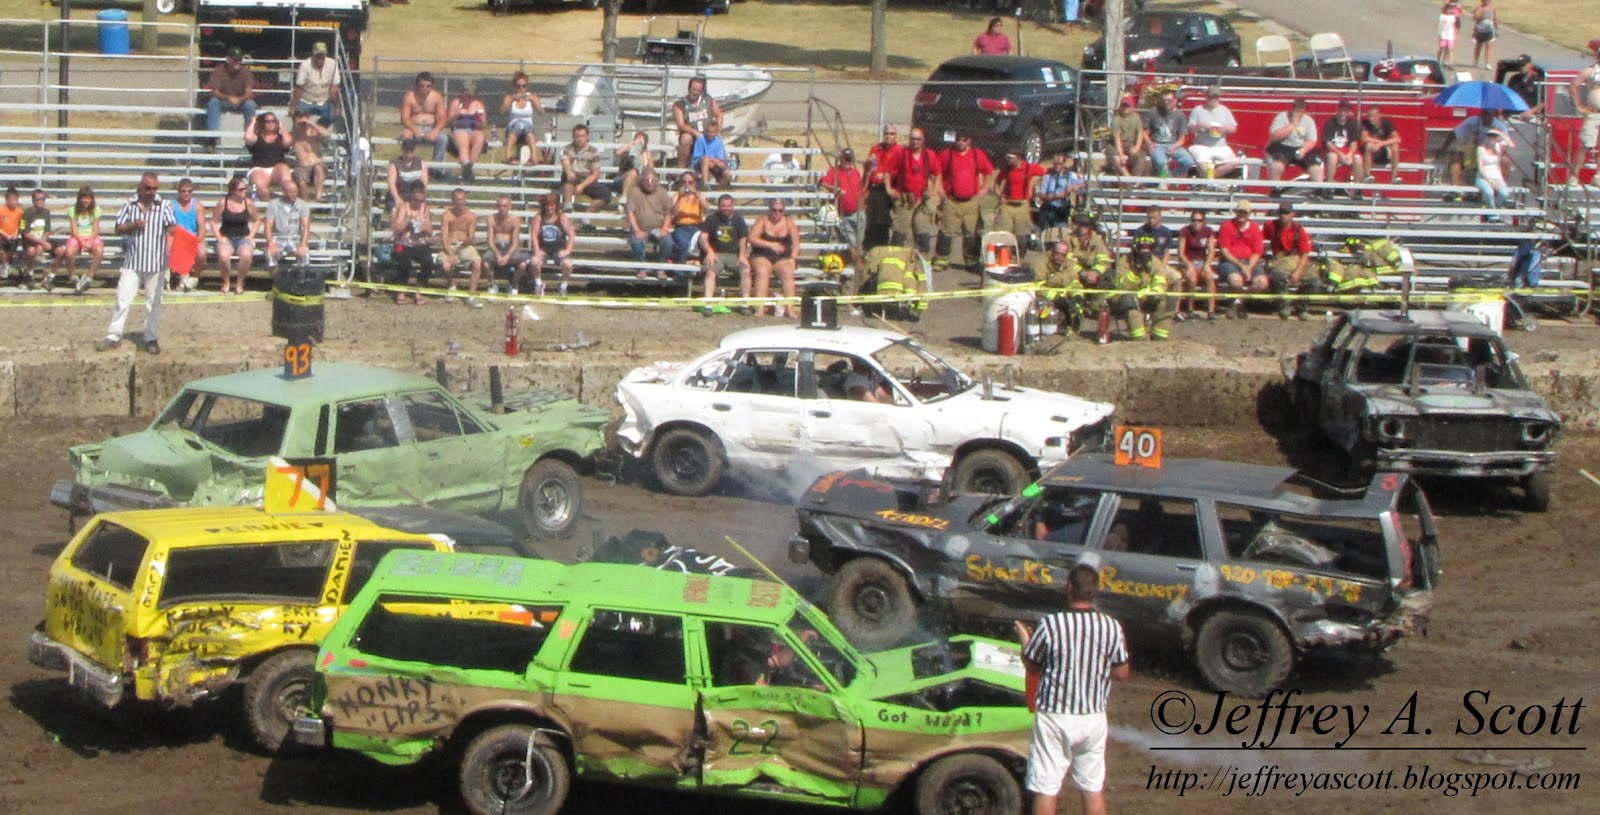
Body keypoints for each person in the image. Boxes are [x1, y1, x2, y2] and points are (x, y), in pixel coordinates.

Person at [1017, 564, 1129, 815]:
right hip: (1092, 717)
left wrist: (1025, 643)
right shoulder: (1111, 626)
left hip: (1055, 716)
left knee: (1046, 788)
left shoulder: (1051, 625)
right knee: (1091, 787)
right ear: (1095, 591)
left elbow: (1031, 665)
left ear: (1069, 588)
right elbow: (1122, 672)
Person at [96, 173, 177, 354]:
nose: (151, 192)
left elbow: (172, 228)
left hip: (156, 262)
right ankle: (114, 335)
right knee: (122, 298)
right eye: (148, 188)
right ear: (141, 187)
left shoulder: (164, 206)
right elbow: (118, 228)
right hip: (133, 261)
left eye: (155, 188)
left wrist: (174, 246)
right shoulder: (129, 205)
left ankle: (151, 337)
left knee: (153, 303)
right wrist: (133, 226)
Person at [933, 133, 994, 270]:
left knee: (971, 232)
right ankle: (942, 259)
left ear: (969, 141)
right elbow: (936, 172)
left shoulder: (976, 155)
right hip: (951, 200)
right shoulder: (947, 154)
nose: (960, 142)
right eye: (958, 140)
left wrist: (984, 189)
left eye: (964, 140)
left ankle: (971, 260)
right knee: (946, 230)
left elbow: (988, 171)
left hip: (971, 201)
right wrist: (940, 189)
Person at [1108, 235, 1174, 341]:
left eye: (1147, 251)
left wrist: (1155, 293)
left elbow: (1160, 281)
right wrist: (1136, 272)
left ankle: (1159, 336)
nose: (1144, 255)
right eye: (1142, 251)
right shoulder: (1124, 261)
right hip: (1124, 297)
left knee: (1168, 300)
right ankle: (1139, 339)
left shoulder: (1155, 261)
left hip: (1145, 295)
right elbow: (1121, 285)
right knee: (1130, 304)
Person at [888, 127, 940, 256]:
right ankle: (896, 263)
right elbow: (888, 172)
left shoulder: (929, 155)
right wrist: (889, 189)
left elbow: (937, 174)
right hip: (904, 200)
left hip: (922, 200)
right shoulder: (901, 153)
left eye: (918, 139)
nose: (915, 141)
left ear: (923, 140)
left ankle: (922, 264)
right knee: (900, 232)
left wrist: (934, 190)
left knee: (922, 231)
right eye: (912, 138)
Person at [1439, 108, 1510, 198]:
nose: (1485, 116)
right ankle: (1456, 189)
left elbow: (1504, 146)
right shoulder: (1472, 122)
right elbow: (1454, 133)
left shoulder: (1500, 126)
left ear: (1494, 115)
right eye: (1484, 113)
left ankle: (1499, 189)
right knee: (1455, 158)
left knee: (1506, 161)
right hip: (1472, 152)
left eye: (1488, 114)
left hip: (1490, 154)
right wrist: (1443, 149)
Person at [748, 197, 801, 318]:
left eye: (780, 210)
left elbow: (796, 243)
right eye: (774, 210)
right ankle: (760, 307)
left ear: (784, 211)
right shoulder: (763, 221)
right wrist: (770, 245)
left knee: (788, 272)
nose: (777, 213)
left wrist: (793, 258)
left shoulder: (789, 222)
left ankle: (790, 308)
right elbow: (752, 238)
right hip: (762, 254)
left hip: (781, 257)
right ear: (770, 210)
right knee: (762, 271)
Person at [1262, 202, 1314, 318]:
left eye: (1286, 213)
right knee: (1277, 275)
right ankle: (1283, 306)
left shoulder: (1298, 230)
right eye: (1281, 213)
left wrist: (1298, 272)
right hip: (1280, 258)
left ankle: (1301, 307)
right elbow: (1260, 240)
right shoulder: (1270, 226)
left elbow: (1305, 254)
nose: (1283, 216)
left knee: (1313, 281)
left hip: (1297, 258)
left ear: (1292, 214)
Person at [51, 186, 105, 295]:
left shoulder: (96, 210)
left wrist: (89, 241)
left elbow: (96, 228)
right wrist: (81, 241)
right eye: (83, 198)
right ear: (79, 198)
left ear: (91, 199)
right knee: (69, 252)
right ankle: (72, 275)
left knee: (99, 250)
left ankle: (89, 277)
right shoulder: (73, 210)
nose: (86, 200)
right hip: (77, 236)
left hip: (91, 236)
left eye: (88, 198)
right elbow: (74, 229)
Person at [1216, 201, 1264, 319]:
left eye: (1245, 213)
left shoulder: (1254, 227)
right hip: (1230, 262)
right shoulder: (1226, 226)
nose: (1241, 215)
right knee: (1236, 280)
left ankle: (1238, 303)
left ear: (1249, 214)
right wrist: (1241, 266)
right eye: (1240, 212)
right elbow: (1225, 251)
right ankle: (1239, 305)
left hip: (1249, 262)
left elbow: (1257, 252)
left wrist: (1248, 267)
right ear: (1236, 212)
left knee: (1262, 282)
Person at [699, 193, 750, 303]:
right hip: (716, 254)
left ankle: (745, 302)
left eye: (728, 205)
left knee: (746, 270)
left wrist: (742, 255)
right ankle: (708, 302)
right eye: (723, 205)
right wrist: (709, 252)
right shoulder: (711, 219)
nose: (726, 208)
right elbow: (703, 237)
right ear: (718, 206)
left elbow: (743, 239)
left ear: (733, 206)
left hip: (733, 255)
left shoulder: (739, 220)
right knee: (710, 272)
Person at [212, 176, 259, 295]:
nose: (244, 191)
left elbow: (257, 220)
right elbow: (213, 221)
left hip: (243, 237)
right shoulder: (223, 202)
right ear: (233, 191)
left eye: (245, 189)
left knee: (246, 255)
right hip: (226, 237)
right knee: (223, 256)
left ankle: (239, 283)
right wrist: (219, 237)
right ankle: (226, 282)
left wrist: (251, 235)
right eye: (241, 189)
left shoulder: (248, 203)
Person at [820, 147, 865, 269]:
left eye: (850, 159)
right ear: (841, 159)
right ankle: (860, 270)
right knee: (851, 244)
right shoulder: (834, 171)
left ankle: (848, 268)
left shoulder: (855, 172)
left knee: (857, 244)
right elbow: (823, 182)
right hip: (843, 214)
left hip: (859, 213)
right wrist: (836, 189)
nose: (848, 162)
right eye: (846, 159)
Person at [390, 187, 436, 304]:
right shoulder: (404, 208)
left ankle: (418, 289)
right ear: (411, 198)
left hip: (419, 244)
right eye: (416, 200)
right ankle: (401, 291)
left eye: (421, 200)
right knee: (403, 261)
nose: (419, 203)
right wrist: (408, 221)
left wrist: (422, 226)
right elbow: (396, 228)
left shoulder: (424, 209)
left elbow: (430, 231)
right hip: (401, 243)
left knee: (428, 261)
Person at [439, 187, 484, 306]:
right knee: (446, 265)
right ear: (452, 200)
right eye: (456, 199)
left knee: (477, 262)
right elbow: (443, 238)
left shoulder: (471, 216)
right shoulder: (447, 215)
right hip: (450, 245)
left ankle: (471, 294)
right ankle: (451, 286)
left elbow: (471, 236)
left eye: (461, 199)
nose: (459, 202)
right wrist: (451, 253)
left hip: (465, 246)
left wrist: (466, 242)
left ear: (465, 200)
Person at [1265, 98, 1323, 188]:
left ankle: (1319, 190)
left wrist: (1304, 150)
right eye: (1298, 108)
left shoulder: (1309, 120)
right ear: (1293, 108)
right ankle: (1275, 188)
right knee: (1277, 166)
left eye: (1303, 109)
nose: (1301, 111)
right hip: (1282, 146)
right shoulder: (1282, 116)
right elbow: (1274, 136)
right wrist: (1292, 125)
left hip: (1300, 148)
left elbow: (1312, 140)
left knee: (1316, 169)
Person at [993, 149, 1044, 250]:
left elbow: (1045, 173)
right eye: (1007, 157)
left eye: (1010, 158)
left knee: (1022, 235)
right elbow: (997, 182)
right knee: (1003, 233)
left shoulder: (1029, 168)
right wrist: (999, 195)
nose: (1008, 160)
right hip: (1007, 204)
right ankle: (1003, 254)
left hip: (1022, 204)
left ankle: (1019, 255)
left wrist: (1037, 187)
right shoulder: (1006, 169)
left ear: (1018, 157)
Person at [1185, 87, 1240, 178]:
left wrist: (1224, 128)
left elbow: (1233, 129)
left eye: (1216, 97)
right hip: (1201, 146)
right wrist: (1201, 125)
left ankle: (1211, 179)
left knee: (1235, 162)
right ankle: (1212, 183)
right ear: (1206, 97)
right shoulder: (1198, 110)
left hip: (1221, 146)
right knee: (1203, 165)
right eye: (1211, 97)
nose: (1214, 99)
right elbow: (1190, 129)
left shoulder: (1224, 110)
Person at [528, 192, 575, 297]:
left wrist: (568, 250)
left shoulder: (562, 217)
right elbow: (534, 235)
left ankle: (563, 285)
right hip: (543, 248)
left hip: (558, 249)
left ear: (556, 206)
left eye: (552, 206)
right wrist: (537, 250)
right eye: (547, 206)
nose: (549, 209)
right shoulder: (539, 217)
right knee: (534, 261)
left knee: (568, 264)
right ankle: (538, 283)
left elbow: (572, 235)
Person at [561, 124, 615, 215]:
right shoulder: (567, 149)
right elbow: (565, 162)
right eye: (577, 136)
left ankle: (587, 216)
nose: (579, 138)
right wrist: (569, 171)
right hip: (572, 177)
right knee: (567, 174)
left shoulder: (593, 151)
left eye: (582, 136)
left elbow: (595, 174)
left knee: (606, 194)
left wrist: (582, 186)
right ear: (573, 136)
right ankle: (567, 204)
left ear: (587, 137)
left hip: (587, 180)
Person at [205, 48, 256, 143]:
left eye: (239, 60)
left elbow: (248, 93)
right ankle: (213, 137)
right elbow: (214, 91)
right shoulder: (219, 71)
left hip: (240, 101)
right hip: (223, 101)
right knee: (213, 103)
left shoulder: (246, 72)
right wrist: (228, 97)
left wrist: (239, 99)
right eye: (235, 60)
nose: (238, 62)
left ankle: (249, 137)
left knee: (250, 105)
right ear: (228, 60)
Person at [625, 172, 675, 268]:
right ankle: (641, 267)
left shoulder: (662, 192)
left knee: (668, 243)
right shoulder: (634, 192)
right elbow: (630, 212)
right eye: (647, 180)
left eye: (652, 180)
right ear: (642, 181)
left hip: (659, 228)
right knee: (636, 242)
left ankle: (661, 267)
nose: (649, 183)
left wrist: (664, 228)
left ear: (657, 182)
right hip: (640, 228)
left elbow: (668, 213)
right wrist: (637, 230)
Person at [864, 126, 902, 250]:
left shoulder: (899, 151)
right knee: (870, 222)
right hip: (874, 189)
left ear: (895, 135)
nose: (888, 136)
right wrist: (868, 164)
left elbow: (899, 172)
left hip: (887, 191)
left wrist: (887, 179)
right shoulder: (876, 149)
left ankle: (881, 250)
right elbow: (869, 169)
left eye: (891, 134)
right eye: (886, 133)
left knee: (883, 224)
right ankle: (868, 250)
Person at [672, 75, 723, 169]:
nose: (695, 92)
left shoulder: (708, 100)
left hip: (708, 134)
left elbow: (719, 115)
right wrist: (695, 133)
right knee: (686, 138)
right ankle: (681, 169)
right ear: (689, 88)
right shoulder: (679, 104)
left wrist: (718, 130)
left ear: (701, 91)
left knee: (717, 140)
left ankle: (715, 169)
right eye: (693, 89)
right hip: (692, 134)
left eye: (698, 90)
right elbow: (681, 124)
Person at [1176, 209, 1218, 320]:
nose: (1196, 223)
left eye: (1199, 220)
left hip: (1202, 262)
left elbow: (1211, 251)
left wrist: (1207, 264)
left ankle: (1211, 310)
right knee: (1192, 278)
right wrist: (1189, 265)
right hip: (1187, 261)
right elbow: (1180, 253)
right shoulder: (1185, 231)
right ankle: (1190, 308)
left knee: (1209, 277)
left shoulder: (1208, 231)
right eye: (1194, 220)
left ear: (1204, 221)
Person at [243, 111, 293, 201]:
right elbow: (248, 137)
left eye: (273, 121)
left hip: (276, 169)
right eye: (268, 121)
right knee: (262, 189)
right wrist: (253, 122)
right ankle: (266, 208)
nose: (271, 123)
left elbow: (288, 142)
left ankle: (288, 203)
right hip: (259, 168)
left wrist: (281, 126)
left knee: (284, 169)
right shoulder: (257, 137)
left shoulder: (281, 137)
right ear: (263, 123)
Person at [400, 71, 449, 163]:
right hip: (412, 128)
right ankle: (408, 165)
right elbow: (405, 118)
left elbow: (443, 118)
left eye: (428, 86)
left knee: (443, 139)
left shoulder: (437, 97)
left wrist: (436, 131)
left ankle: (436, 169)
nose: (425, 88)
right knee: (406, 136)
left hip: (431, 128)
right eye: (421, 85)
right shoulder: (409, 96)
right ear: (416, 85)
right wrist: (414, 130)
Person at [264, 178, 312, 269]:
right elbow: (268, 227)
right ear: (284, 192)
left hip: (294, 237)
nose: (294, 194)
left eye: (296, 192)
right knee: (270, 253)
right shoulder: (273, 204)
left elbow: (305, 227)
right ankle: (275, 278)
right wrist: (271, 244)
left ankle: (301, 278)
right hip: (278, 236)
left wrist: (303, 245)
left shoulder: (303, 205)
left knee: (304, 254)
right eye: (291, 192)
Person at [1143, 90, 1194, 178]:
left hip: (1174, 144)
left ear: (1175, 100)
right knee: (1161, 163)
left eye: (1169, 100)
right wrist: (1149, 143)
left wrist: (1174, 147)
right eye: (1164, 100)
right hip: (1157, 145)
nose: (1166, 103)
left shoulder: (1180, 115)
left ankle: (1173, 176)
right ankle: (1165, 182)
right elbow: (1144, 132)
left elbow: (1182, 139)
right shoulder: (1153, 112)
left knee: (1189, 162)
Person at [289, 41, 340, 126]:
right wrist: (292, 107)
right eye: (317, 55)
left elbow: (334, 88)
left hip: (324, 101)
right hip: (306, 100)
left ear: (325, 54)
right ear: (313, 54)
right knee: (298, 118)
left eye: (322, 55)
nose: (320, 57)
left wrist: (337, 106)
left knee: (333, 115)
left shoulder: (333, 64)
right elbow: (299, 88)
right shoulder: (305, 65)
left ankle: (317, 130)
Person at [1321, 100, 1365, 199]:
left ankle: (1357, 189)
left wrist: (1349, 154)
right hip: (1334, 150)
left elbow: (1354, 142)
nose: (1343, 113)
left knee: (1358, 159)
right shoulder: (1330, 122)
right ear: (1338, 110)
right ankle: (1329, 188)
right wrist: (1340, 154)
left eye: (1346, 111)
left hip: (1347, 150)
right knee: (1332, 157)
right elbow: (1328, 142)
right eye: (1342, 110)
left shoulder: (1353, 123)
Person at [487, 195, 530, 293]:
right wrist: (497, 255)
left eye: (505, 206)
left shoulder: (515, 221)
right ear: (497, 206)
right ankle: (491, 284)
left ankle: (513, 284)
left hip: (510, 249)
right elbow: (490, 241)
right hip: (495, 249)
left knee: (524, 264)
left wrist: (507, 256)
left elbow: (515, 242)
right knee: (485, 262)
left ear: (510, 206)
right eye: (500, 206)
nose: (502, 208)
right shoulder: (491, 219)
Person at [446, 80, 488, 181]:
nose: (468, 98)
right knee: (463, 141)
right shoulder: (456, 103)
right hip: (459, 128)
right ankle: (466, 166)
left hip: (474, 129)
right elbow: (449, 122)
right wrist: (457, 113)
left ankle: (468, 168)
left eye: (470, 96)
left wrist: (480, 120)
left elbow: (484, 125)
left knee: (480, 138)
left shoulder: (478, 105)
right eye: (466, 95)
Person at [168, 178, 206, 292]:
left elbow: (202, 228)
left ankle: (195, 277)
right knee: (174, 249)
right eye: (184, 191)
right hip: (177, 237)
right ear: (179, 191)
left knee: (202, 253)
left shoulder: (198, 206)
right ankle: (182, 278)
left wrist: (197, 240)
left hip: (193, 236)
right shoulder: (172, 206)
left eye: (189, 191)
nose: (186, 194)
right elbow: (169, 227)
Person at [501, 71, 544, 166]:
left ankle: (533, 158)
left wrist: (534, 101)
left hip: (528, 132)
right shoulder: (509, 97)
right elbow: (502, 111)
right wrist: (512, 99)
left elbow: (542, 112)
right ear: (514, 86)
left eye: (523, 86)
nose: (521, 88)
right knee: (518, 125)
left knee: (526, 126)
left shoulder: (532, 97)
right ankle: (508, 157)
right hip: (513, 130)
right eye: (518, 86)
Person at [20, 188, 60, 288]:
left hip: (42, 239)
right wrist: (40, 243)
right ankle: (29, 274)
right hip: (30, 241)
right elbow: (25, 233)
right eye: (39, 199)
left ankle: (50, 277)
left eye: (43, 199)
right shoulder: (26, 213)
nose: (42, 201)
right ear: (34, 201)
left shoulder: (46, 212)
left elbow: (47, 230)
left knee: (61, 250)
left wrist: (43, 241)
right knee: (31, 251)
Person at [1571, 41, 1600, 181]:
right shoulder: (1591, 70)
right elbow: (1574, 85)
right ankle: (1574, 175)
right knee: (1586, 144)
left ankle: (1598, 176)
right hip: (1593, 113)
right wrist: (1579, 105)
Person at [668, 172, 709, 267]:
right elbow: (674, 213)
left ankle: (703, 269)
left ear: (694, 183)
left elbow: (707, 208)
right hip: (681, 227)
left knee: (705, 242)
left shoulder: (699, 195)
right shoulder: (676, 196)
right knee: (682, 243)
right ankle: (680, 271)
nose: (687, 185)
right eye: (684, 182)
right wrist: (680, 198)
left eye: (690, 182)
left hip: (697, 227)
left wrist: (695, 193)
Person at [290, 108, 331, 202]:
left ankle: (318, 196)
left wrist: (311, 123)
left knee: (318, 168)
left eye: (304, 116)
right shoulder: (293, 135)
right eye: (299, 116)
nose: (302, 119)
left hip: (316, 163)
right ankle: (306, 202)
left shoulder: (314, 132)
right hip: (302, 166)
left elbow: (327, 135)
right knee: (301, 180)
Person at [1035, 154, 1083, 234]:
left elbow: (1083, 184)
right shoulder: (1048, 176)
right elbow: (1042, 195)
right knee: (1047, 234)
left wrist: (1073, 186)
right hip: (1049, 209)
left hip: (1062, 210)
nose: (1057, 166)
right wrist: (1056, 196)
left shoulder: (1070, 175)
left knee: (1061, 234)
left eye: (1059, 164)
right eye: (1055, 164)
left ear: (1064, 164)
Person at [1106, 96, 1151, 176]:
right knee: (1116, 157)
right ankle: (1127, 178)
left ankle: (1135, 181)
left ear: (1132, 106)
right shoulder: (1116, 119)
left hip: (1131, 144)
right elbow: (1117, 139)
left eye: (1127, 106)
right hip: (1115, 145)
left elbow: (1140, 133)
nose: (1125, 108)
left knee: (1140, 158)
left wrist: (1136, 147)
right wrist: (1121, 154)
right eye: (1123, 105)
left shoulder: (1136, 117)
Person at [1360, 105, 1403, 182]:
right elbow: (1364, 138)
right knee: (1369, 145)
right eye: (1369, 116)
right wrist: (1377, 143)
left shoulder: (1387, 123)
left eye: (1373, 116)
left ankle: (1394, 177)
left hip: (1384, 152)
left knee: (1395, 147)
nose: (1370, 119)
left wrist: (1381, 144)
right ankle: (1367, 175)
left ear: (1379, 116)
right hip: (1371, 152)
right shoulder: (1365, 123)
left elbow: (1397, 138)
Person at [1475, 128, 1513, 217]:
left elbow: (1511, 145)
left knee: (1504, 193)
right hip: (1483, 177)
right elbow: (1481, 167)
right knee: (1489, 192)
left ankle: (1495, 208)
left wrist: (1501, 134)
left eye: (1494, 137)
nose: (1492, 139)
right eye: (1490, 136)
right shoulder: (1481, 148)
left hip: (1497, 176)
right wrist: (1490, 181)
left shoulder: (1498, 147)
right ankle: (1493, 216)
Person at [387, 138, 429, 211]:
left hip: (416, 196)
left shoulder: (421, 163)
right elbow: (391, 184)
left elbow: (424, 184)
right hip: (399, 194)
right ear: (402, 150)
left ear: (414, 150)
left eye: (411, 150)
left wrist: (418, 199)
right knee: (398, 210)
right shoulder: (395, 163)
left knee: (422, 209)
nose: (409, 152)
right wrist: (397, 199)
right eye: (406, 150)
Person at [691, 120, 732, 189]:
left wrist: (715, 162)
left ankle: (719, 191)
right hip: (701, 163)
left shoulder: (718, 141)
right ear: (705, 131)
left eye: (712, 132)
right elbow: (698, 156)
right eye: (708, 132)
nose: (710, 134)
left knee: (727, 174)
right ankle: (705, 184)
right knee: (705, 159)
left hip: (714, 164)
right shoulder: (700, 140)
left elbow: (720, 158)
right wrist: (711, 160)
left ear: (716, 133)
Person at [614, 131, 655, 200]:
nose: (640, 142)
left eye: (642, 140)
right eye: (638, 139)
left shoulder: (647, 154)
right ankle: (624, 197)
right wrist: (633, 143)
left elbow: (651, 170)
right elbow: (618, 152)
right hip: (623, 179)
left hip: (640, 180)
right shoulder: (629, 152)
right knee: (633, 172)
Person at [0, 186, 21, 280]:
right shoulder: (1, 210)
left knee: (9, 253)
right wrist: (5, 234)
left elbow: (21, 225)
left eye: (15, 200)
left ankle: (6, 265)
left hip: (13, 238)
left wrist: (16, 234)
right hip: (2, 237)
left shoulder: (19, 211)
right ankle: (5, 265)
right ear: (6, 200)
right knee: (1, 252)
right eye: (11, 200)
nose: (13, 202)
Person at [1470, 0, 1497, 70]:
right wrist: (1478, 14)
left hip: (1489, 30)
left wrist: (1496, 28)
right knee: (1478, 47)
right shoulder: (1480, 8)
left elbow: (1494, 18)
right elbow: (1475, 19)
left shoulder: (1492, 8)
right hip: (1480, 30)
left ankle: (1488, 63)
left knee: (1488, 47)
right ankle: (1475, 61)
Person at [1437, 0, 1463, 68]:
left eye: (1452, 9)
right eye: (1450, 9)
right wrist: (1440, 33)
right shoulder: (1443, 16)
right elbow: (1440, 25)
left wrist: (1455, 35)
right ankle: (1438, 60)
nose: (1451, 10)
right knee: (1441, 48)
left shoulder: (1453, 17)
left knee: (1450, 49)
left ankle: (1449, 63)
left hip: (1450, 35)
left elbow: (1456, 25)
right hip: (1443, 35)